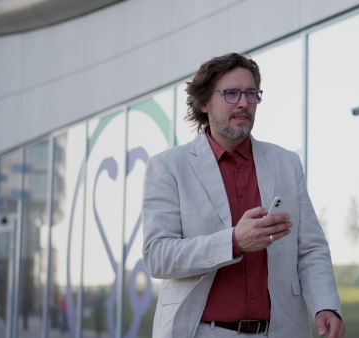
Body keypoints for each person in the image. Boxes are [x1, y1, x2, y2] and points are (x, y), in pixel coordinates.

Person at [142, 52, 344, 338]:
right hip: (201, 332)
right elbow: (158, 256)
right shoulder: (168, 167)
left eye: (251, 93)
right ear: (203, 103)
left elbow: (310, 249)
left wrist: (326, 306)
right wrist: (234, 241)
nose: (244, 103)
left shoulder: (286, 163)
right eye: (231, 93)